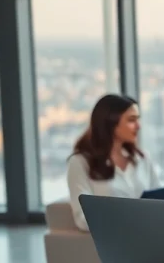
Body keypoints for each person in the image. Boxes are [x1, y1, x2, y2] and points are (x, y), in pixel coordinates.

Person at [66, 94, 159, 231]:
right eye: (131, 120)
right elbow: (82, 218)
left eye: (138, 119)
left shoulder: (143, 158)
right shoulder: (80, 162)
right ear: (110, 124)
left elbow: (160, 202)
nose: (138, 126)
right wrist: (127, 222)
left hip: (149, 233)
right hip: (114, 238)